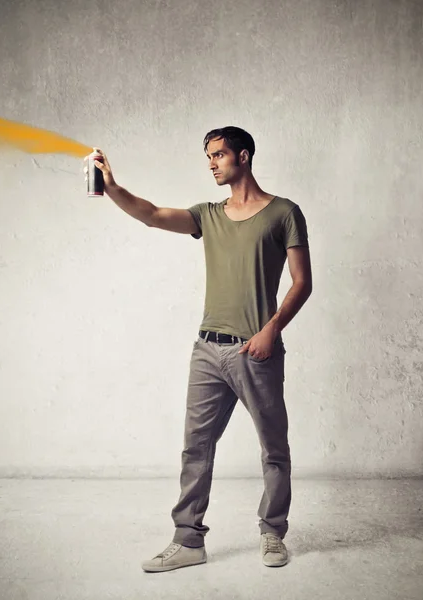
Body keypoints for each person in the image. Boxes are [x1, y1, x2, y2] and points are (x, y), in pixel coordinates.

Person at [83, 126, 312, 572]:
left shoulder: (284, 212)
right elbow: (150, 214)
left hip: (255, 350)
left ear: (243, 157)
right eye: (208, 156)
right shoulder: (208, 215)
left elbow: (302, 282)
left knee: (273, 448)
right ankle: (188, 540)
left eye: (218, 155)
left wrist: (271, 329)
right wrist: (111, 187)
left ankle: (272, 533)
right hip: (208, 349)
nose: (211, 163)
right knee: (195, 448)